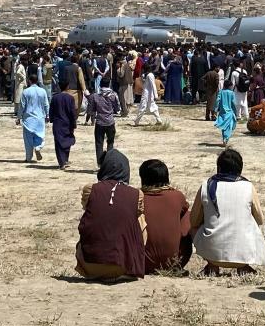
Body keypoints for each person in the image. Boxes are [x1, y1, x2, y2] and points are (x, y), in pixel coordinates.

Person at [190, 149, 265, 276]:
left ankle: (212, 266)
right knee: (253, 225)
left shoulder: (206, 185)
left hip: (212, 254)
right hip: (243, 254)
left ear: (219, 167)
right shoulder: (248, 186)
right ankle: (244, 266)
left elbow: (193, 221)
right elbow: (260, 220)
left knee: (194, 227)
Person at [75, 149, 146, 280]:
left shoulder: (90, 189)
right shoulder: (137, 194)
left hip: (90, 265)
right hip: (122, 267)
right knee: (140, 218)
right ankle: (130, 261)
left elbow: (88, 208)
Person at [139, 159, 192, 274]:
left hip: (141, 263)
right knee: (187, 215)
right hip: (174, 263)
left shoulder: (136, 198)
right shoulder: (177, 196)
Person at [17, 73, 49, 162]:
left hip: (28, 119)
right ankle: (38, 147)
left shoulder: (26, 91)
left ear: (29, 81)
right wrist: (47, 115)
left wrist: (18, 117)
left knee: (28, 140)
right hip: (40, 118)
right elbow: (46, 104)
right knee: (40, 136)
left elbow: (22, 106)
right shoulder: (43, 91)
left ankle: (28, 158)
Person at [87, 85, 121, 165]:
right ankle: (108, 163)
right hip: (110, 122)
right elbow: (117, 109)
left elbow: (93, 109)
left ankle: (100, 163)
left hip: (99, 122)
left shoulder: (96, 96)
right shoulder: (113, 95)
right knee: (110, 143)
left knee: (99, 143)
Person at [49, 89, 77, 169]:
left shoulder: (54, 98)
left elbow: (51, 110)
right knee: (67, 140)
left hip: (57, 123)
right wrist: (74, 123)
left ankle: (62, 162)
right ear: (68, 86)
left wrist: (51, 119)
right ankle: (65, 160)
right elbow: (72, 112)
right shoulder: (70, 98)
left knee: (58, 143)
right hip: (68, 123)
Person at [214, 80, 239, 147]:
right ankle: (226, 138)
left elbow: (217, 101)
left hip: (222, 113)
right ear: (230, 86)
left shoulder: (221, 92)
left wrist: (215, 110)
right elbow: (233, 103)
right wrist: (236, 112)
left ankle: (224, 139)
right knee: (229, 127)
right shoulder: (231, 93)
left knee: (224, 127)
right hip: (230, 112)